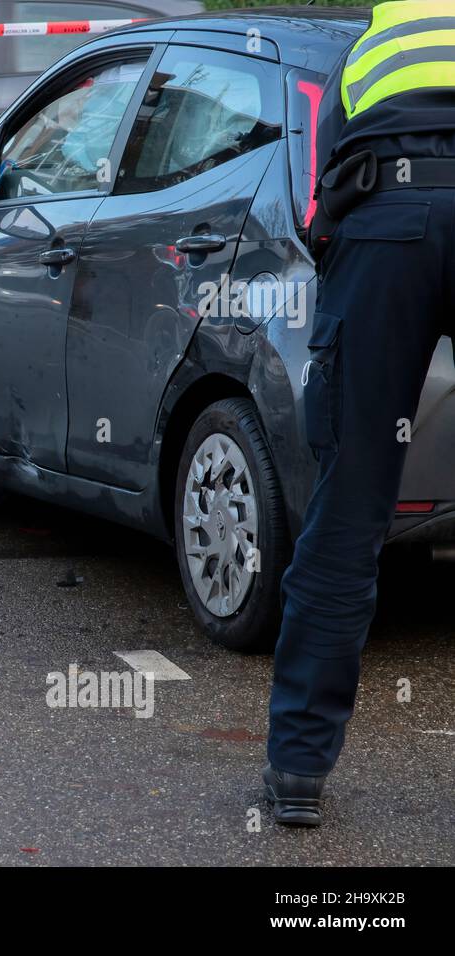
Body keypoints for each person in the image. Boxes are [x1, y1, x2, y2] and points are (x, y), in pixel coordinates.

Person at [265, 0, 455, 826]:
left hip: (389, 225)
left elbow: (320, 205)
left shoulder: (368, 45)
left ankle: (300, 773)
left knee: (349, 512)